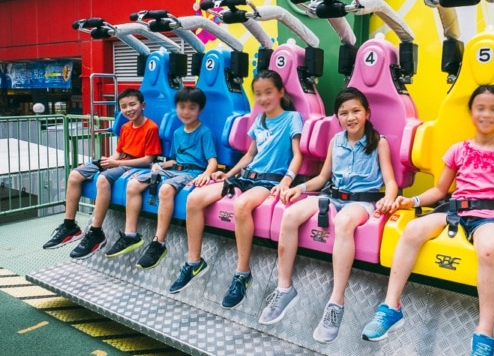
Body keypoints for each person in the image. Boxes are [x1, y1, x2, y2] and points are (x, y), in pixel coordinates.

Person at [360, 84, 494, 356]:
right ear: (471, 113)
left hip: (490, 216)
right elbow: (439, 190)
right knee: (413, 228)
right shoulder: (459, 149)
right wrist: (412, 201)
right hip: (454, 211)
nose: (486, 113)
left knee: (489, 249)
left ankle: (484, 335)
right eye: (480, 107)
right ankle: (391, 307)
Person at [259, 87, 398, 344]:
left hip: (362, 201)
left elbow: (390, 181)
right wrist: (298, 188)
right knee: (290, 216)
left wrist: (389, 197)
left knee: (344, 222)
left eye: (356, 111)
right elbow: (323, 178)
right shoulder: (336, 141)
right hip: (332, 197)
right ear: (338, 118)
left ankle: (336, 302)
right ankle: (284, 288)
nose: (350, 117)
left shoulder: (379, 142)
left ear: (367, 113)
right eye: (343, 113)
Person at [168, 69, 303, 303]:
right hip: (245, 177)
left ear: (280, 92)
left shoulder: (292, 118)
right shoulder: (258, 121)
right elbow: (249, 154)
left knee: (241, 205)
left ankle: (242, 274)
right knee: (194, 199)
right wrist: (227, 174)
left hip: (269, 181)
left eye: (268, 92)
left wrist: (287, 180)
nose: (263, 98)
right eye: (258, 94)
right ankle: (194, 262)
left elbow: (297, 155)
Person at [104, 87, 218, 269]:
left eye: (191, 108)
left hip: (192, 172)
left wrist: (206, 174)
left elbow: (212, 160)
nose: (186, 112)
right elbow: (173, 160)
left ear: (200, 111)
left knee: (165, 188)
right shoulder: (177, 133)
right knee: (134, 184)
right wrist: (160, 165)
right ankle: (131, 235)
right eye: (182, 107)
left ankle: (159, 243)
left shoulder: (204, 132)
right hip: (175, 170)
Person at [43, 88, 162, 259]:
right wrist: (103, 162)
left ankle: (96, 232)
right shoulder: (126, 127)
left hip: (136, 165)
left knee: (103, 179)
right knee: (76, 174)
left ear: (142, 105)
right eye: (123, 106)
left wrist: (115, 164)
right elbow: (118, 153)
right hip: (121, 161)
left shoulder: (151, 127)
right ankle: (69, 225)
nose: (128, 109)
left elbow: (148, 159)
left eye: (132, 104)